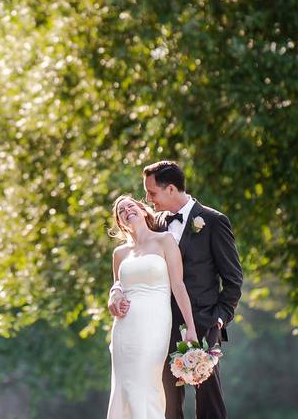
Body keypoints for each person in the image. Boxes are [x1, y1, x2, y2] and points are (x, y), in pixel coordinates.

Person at [142, 160, 243, 419]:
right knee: (167, 401)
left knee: (209, 399)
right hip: (163, 324)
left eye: (152, 193)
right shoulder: (156, 224)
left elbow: (233, 279)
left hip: (205, 321)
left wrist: (219, 319)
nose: (148, 199)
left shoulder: (213, 221)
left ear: (172, 189)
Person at [107, 194, 198, 419]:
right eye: (121, 211)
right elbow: (117, 285)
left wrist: (191, 328)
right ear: (121, 223)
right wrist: (114, 298)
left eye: (130, 206)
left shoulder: (165, 240)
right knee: (124, 386)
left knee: (147, 382)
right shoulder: (119, 253)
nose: (127, 210)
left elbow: (178, 286)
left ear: (142, 210)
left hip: (155, 322)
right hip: (124, 328)